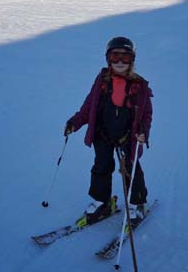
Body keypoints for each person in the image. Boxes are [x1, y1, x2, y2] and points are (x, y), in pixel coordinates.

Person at [64, 36, 153, 223]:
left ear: (132, 60)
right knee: (101, 167)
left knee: (131, 169)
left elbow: (146, 114)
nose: (120, 62)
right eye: (115, 56)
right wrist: (76, 122)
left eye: (125, 57)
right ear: (108, 58)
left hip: (128, 137)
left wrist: (143, 131)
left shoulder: (140, 85)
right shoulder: (102, 81)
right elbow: (89, 107)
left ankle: (137, 203)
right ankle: (102, 202)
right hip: (102, 134)